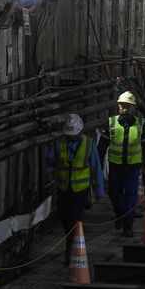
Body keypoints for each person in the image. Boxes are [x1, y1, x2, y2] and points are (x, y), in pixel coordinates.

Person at [47, 113, 104, 265]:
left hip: (81, 190)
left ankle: (70, 252)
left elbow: (96, 167)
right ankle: (73, 246)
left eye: (74, 134)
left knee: (73, 220)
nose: (71, 137)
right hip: (64, 188)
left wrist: (99, 190)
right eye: (69, 134)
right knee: (65, 219)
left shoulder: (88, 144)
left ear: (80, 131)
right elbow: (49, 159)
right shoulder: (59, 143)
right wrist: (56, 161)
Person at [98, 91, 145, 238]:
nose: (124, 109)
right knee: (113, 194)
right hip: (115, 167)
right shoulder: (110, 123)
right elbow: (102, 147)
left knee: (130, 196)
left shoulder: (140, 125)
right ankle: (120, 214)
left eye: (128, 106)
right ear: (118, 107)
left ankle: (128, 227)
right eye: (122, 106)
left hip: (132, 169)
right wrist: (97, 167)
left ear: (134, 108)